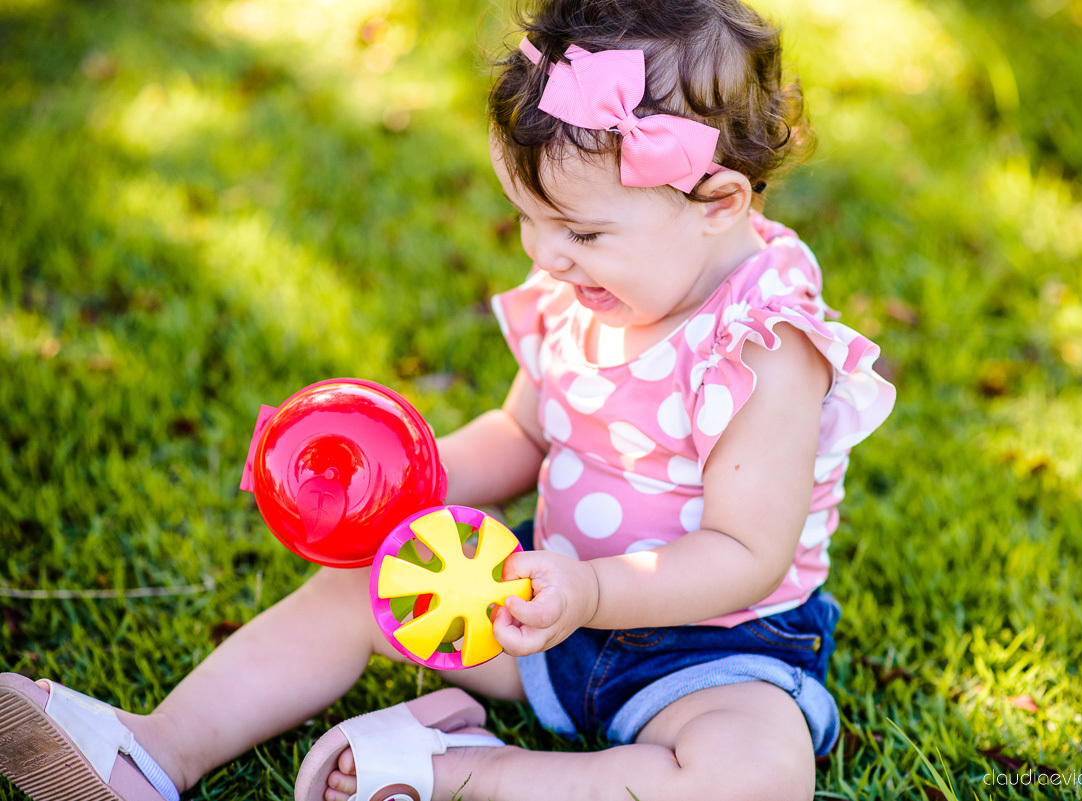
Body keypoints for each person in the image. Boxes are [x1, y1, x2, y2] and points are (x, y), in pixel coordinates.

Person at [0, 1, 895, 800]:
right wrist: (408, 486)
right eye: (529, 217)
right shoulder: (589, 286)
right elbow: (521, 431)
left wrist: (590, 591)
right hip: (542, 606)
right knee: (358, 590)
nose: (546, 255)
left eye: (580, 230)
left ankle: (466, 769)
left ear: (719, 200)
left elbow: (745, 552)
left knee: (758, 774)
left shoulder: (767, 346)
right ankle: (154, 753)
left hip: (712, 655)